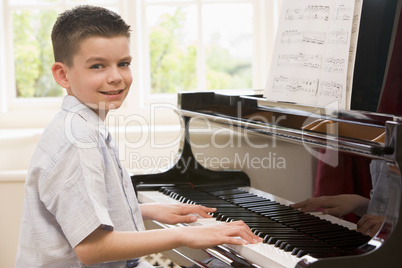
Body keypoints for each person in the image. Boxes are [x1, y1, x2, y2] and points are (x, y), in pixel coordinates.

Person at [15, 5, 261, 268]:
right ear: (63, 75)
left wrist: (142, 210)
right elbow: (92, 248)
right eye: (97, 66)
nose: (116, 77)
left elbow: (81, 214)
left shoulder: (81, 125)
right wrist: (185, 235)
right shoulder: (79, 142)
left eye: (123, 64)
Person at [290, 159, 395, 237]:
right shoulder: (386, 138)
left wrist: (393, 225)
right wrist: (358, 202)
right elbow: (381, 215)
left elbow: (387, 221)